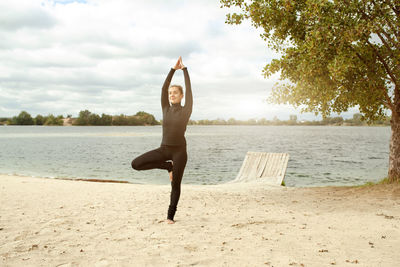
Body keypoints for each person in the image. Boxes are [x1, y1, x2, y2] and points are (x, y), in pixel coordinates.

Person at [131, 56, 193, 224]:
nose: (172, 95)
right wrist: (172, 70)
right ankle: (167, 166)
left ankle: (170, 216)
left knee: (175, 185)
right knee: (136, 164)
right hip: (164, 148)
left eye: (175, 93)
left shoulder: (186, 110)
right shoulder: (165, 108)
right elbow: (163, 87)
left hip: (180, 151)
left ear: (181, 96)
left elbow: (189, 88)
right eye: (170, 93)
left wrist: (185, 70)